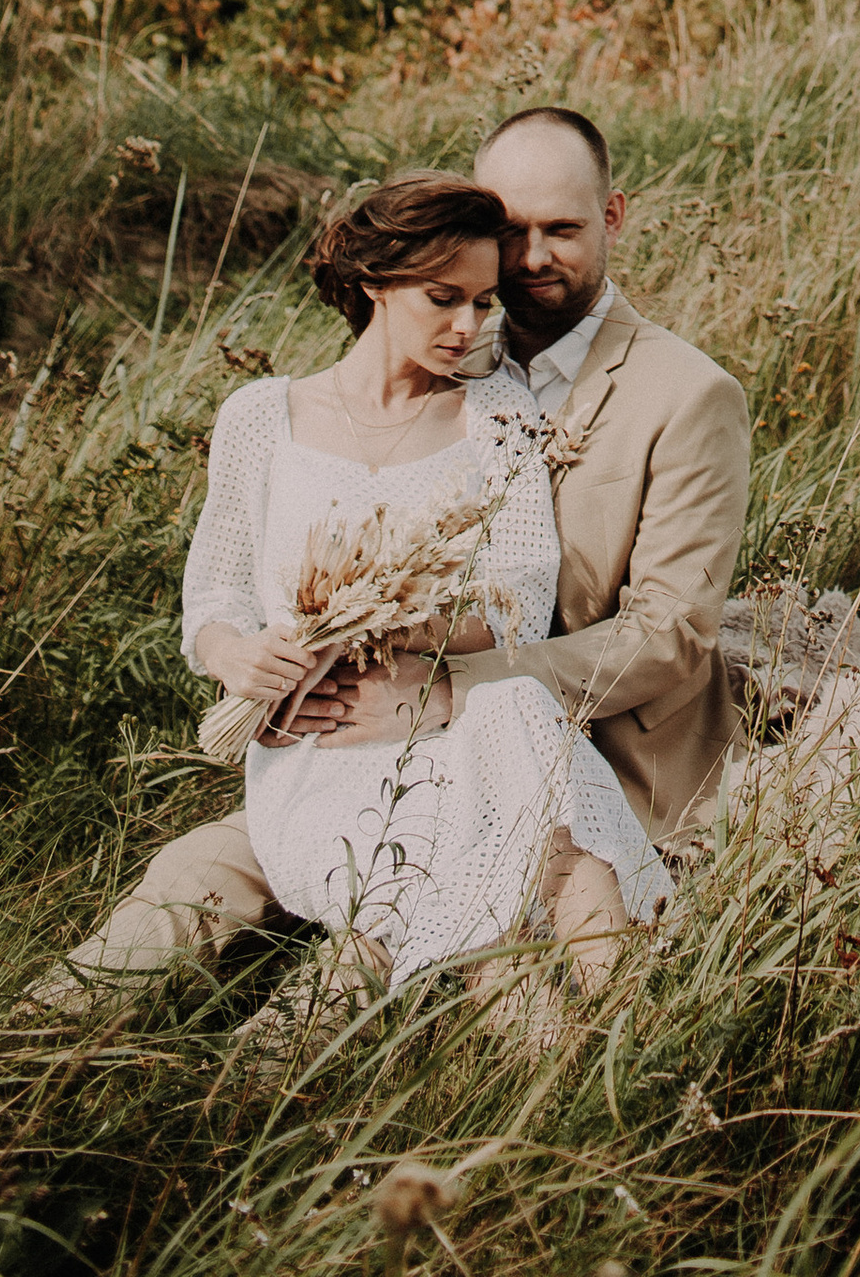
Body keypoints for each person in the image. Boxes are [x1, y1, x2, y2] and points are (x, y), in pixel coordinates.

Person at [48, 108, 750, 996]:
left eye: (563, 230)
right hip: (353, 750)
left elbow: (670, 633)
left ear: (612, 217)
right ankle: (20, 1049)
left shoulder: (686, 395)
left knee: (374, 953)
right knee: (186, 886)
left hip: (576, 754)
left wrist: (446, 690)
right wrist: (269, 657)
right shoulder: (447, 343)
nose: (531, 258)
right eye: (512, 232)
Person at [179, 168, 667, 994]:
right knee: (514, 803)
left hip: (445, 719)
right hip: (315, 751)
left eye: (482, 303)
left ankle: (604, 1009)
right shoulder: (260, 417)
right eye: (443, 299)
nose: (467, 326)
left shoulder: (496, 412)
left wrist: (387, 620)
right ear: (375, 281)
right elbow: (213, 598)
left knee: (516, 716)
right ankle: (599, 1013)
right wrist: (239, 659)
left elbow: (519, 604)